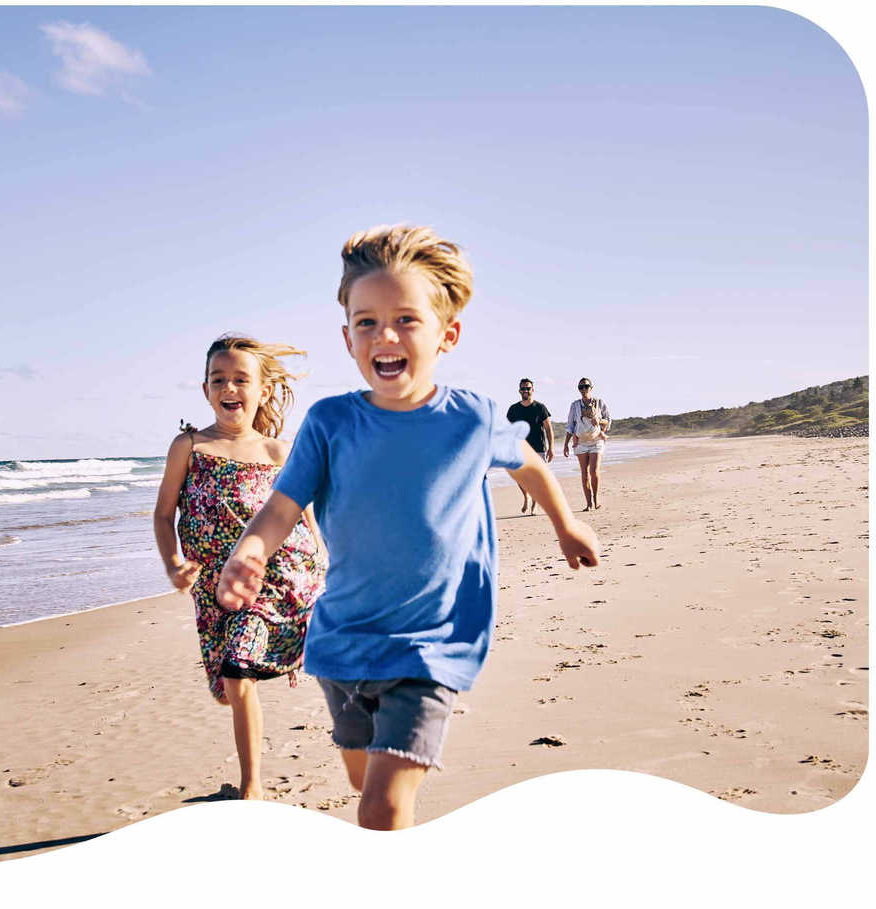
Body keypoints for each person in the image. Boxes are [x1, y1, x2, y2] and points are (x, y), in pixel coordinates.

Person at [216, 225, 600, 829]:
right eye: (366, 322)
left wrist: (566, 523)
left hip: (431, 645)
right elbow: (284, 504)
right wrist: (251, 552)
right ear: (347, 338)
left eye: (405, 320)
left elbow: (527, 464)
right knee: (361, 782)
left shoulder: (470, 417)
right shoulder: (330, 422)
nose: (384, 335)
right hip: (342, 643)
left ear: (447, 334)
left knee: (383, 806)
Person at [153, 335, 326, 801]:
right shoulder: (188, 446)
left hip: (277, 577)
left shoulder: (277, 452)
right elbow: (164, 513)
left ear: (263, 390)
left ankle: (252, 788)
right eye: (219, 380)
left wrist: (324, 558)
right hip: (213, 586)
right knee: (228, 683)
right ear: (206, 389)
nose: (229, 387)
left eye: (241, 379)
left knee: (236, 670)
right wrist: (173, 563)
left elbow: (303, 514)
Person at [506, 378, 554, 515]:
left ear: (532, 390)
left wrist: (551, 448)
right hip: (520, 448)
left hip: (539, 448)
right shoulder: (514, 409)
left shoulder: (540, 408)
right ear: (519, 391)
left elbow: (548, 428)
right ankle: (526, 496)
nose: (525, 391)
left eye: (528, 388)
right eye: (523, 388)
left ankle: (534, 503)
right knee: (520, 477)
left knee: (538, 478)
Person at [563, 377, 612, 511]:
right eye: (581, 387)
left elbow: (608, 420)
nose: (584, 389)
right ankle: (588, 503)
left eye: (586, 386)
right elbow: (570, 425)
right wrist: (566, 444)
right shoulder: (575, 405)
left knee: (594, 471)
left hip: (596, 440)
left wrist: (599, 420)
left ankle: (596, 500)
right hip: (581, 441)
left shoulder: (599, 402)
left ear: (591, 388)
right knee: (584, 473)